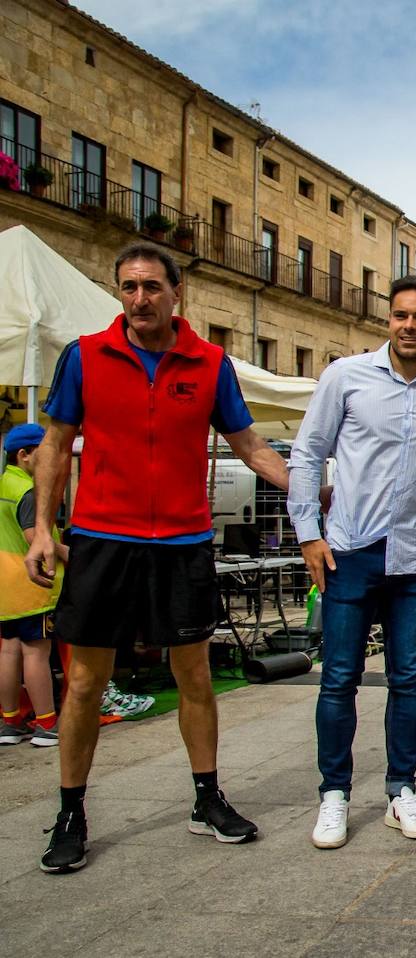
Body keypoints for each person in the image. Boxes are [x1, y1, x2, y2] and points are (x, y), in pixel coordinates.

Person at [25, 243, 289, 874]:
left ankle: (206, 799)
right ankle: (71, 812)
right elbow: (56, 447)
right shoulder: (85, 356)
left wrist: (313, 491)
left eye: (150, 287)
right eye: (128, 287)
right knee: (87, 682)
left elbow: (249, 445)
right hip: (102, 539)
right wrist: (42, 529)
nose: (138, 298)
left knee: (195, 678)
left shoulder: (209, 362)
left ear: (177, 293)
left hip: (182, 542)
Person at [288, 274, 416, 850]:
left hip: (412, 557)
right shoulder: (346, 377)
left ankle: (400, 791)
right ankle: (334, 794)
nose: (409, 325)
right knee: (339, 679)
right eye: (400, 315)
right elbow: (308, 454)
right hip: (349, 552)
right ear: (389, 320)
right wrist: (308, 534)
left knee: (408, 681)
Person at [1, 424, 62, 748]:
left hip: (6, 586)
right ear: (24, 455)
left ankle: (10, 722)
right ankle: (46, 724)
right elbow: (35, 539)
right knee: (36, 654)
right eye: (44, 451)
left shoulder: (4, 484)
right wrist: (72, 552)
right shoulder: (28, 490)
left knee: (9, 651)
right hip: (32, 585)